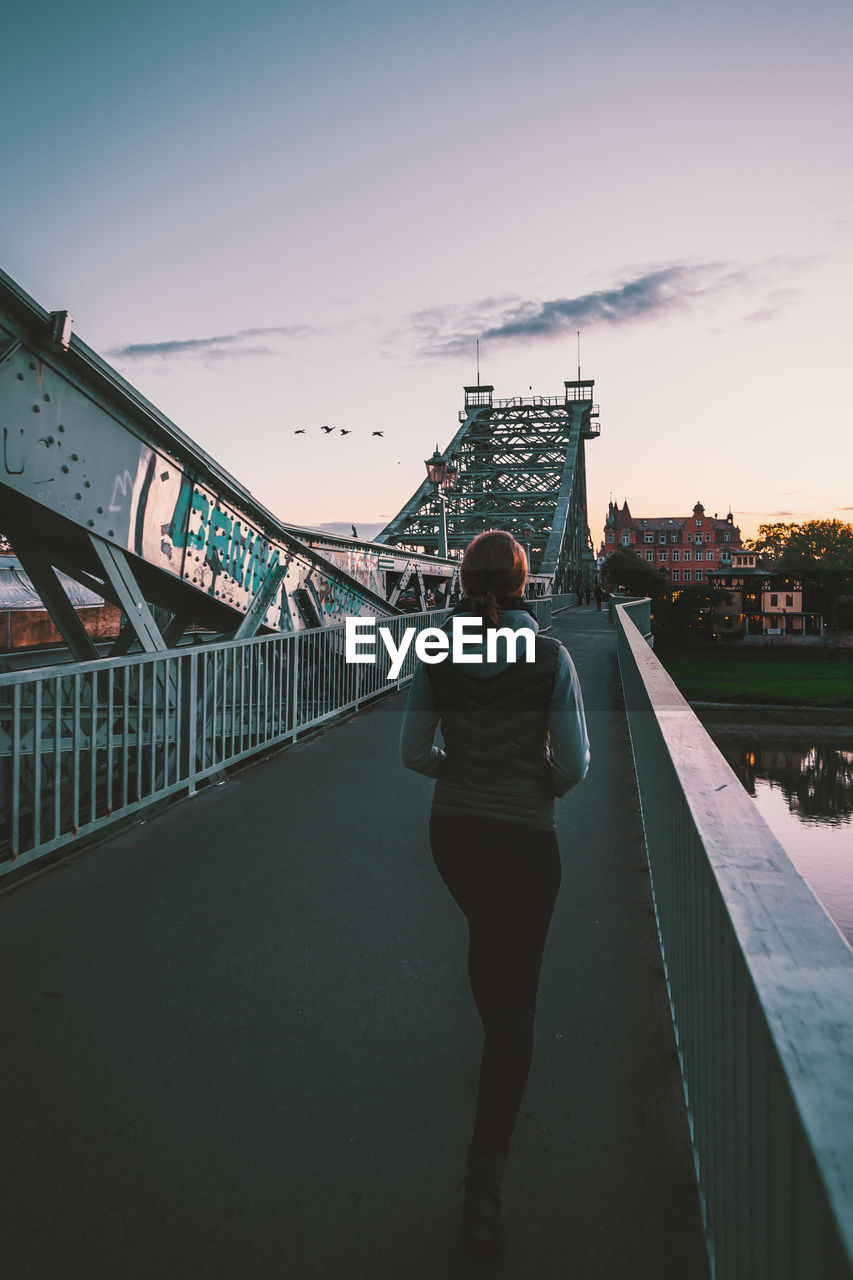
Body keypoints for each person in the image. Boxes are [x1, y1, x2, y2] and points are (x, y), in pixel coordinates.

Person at [400, 530, 589, 1258]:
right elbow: (572, 764)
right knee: (518, 1001)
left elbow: (414, 754)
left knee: (486, 941)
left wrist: (460, 769)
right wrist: (532, 782)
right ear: (522, 584)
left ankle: (495, 1049)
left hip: (453, 835)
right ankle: (483, 1186)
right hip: (524, 836)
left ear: (460, 580)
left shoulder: (436, 652)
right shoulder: (551, 655)